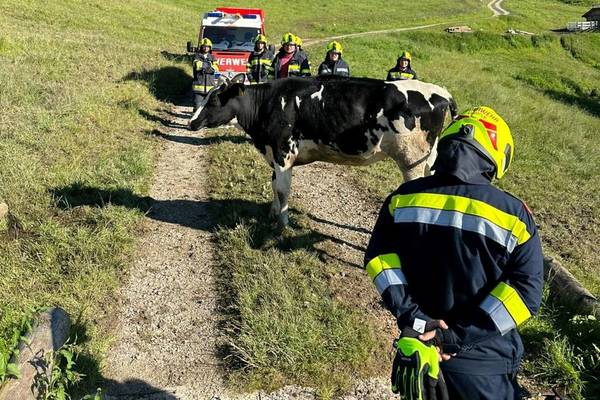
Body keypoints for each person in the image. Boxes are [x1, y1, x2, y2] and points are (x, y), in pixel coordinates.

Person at [364, 106, 544, 400]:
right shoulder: (514, 216)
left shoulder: (402, 199)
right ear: (496, 155)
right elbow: (525, 294)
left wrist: (415, 319)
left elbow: (380, 262)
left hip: (419, 354)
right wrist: (454, 336)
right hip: (482, 364)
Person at [192, 38, 220, 110]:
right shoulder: (196, 56)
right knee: (197, 107)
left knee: (210, 108)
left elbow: (216, 69)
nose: (206, 48)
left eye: (207, 47)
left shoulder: (212, 57)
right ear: (201, 47)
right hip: (198, 87)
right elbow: (197, 66)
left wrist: (204, 67)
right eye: (204, 46)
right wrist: (209, 66)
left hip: (210, 88)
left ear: (210, 48)